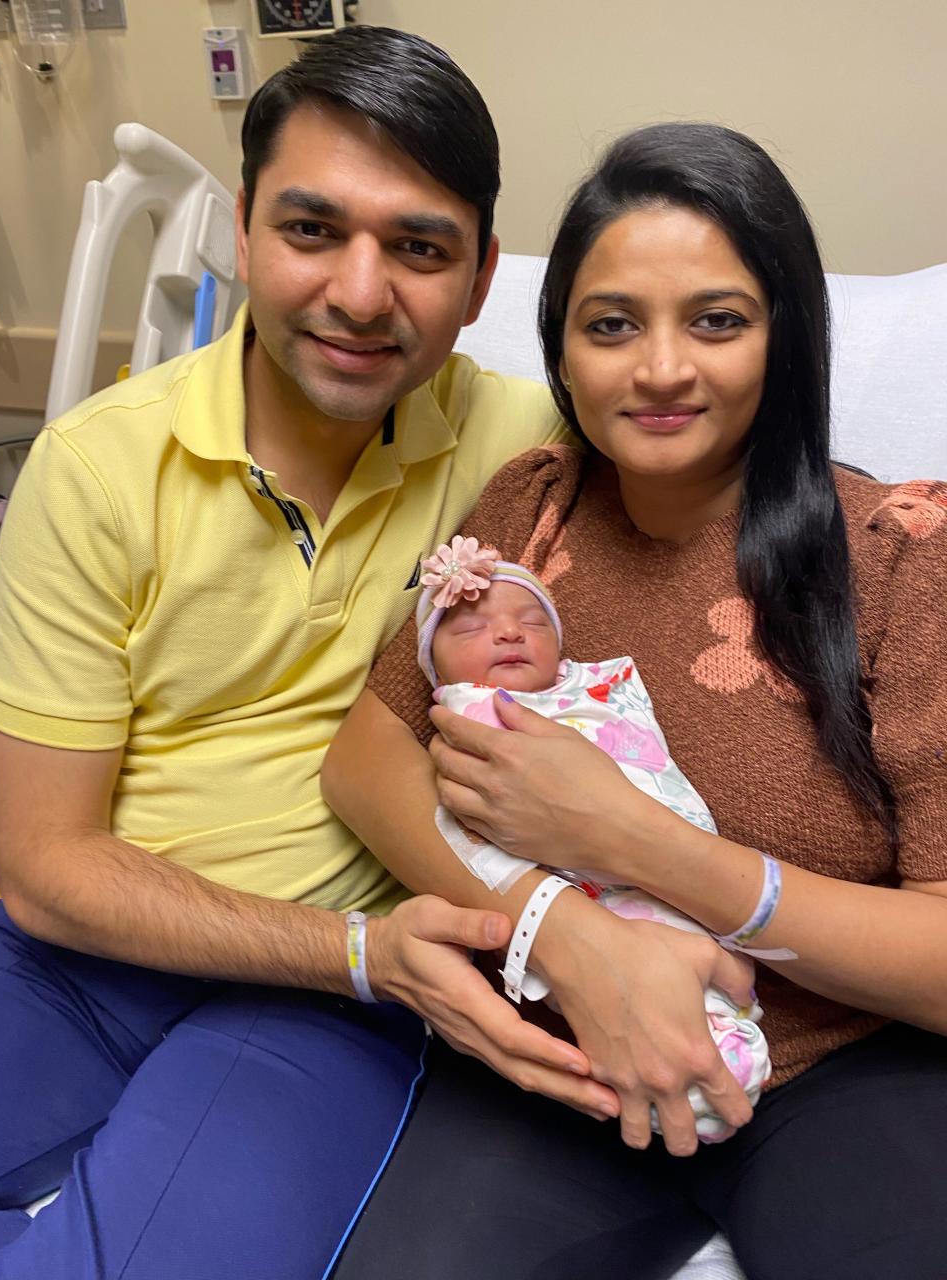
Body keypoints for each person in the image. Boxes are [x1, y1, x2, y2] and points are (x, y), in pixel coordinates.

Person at [0, 27, 595, 1280]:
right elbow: (44, 864)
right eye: (313, 230)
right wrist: (360, 950)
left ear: (481, 277)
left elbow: (733, 475)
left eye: (419, 247)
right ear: (247, 231)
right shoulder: (98, 469)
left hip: (329, 1009)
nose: (363, 295)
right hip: (77, 958)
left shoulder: (526, 445)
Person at [324, 122, 947, 1279]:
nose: (660, 368)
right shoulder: (531, 508)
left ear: (788, 337)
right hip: (562, 1057)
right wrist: (564, 938)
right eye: (612, 325)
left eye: (718, 319)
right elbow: (364, 755)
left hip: (845, 1072)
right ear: (561, 345)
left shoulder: (906, 554)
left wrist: (630, 839)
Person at [417, 538, 772, 1143]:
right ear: (434, 671)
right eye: (472, 627)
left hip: (678, 866)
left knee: (703, 956)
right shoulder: (472, 719)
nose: (508, 634)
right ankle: (704, 1068)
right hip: (587, 902)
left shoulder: (591, 687)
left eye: (530, 621)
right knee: (657, 978)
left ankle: (721, 1036)